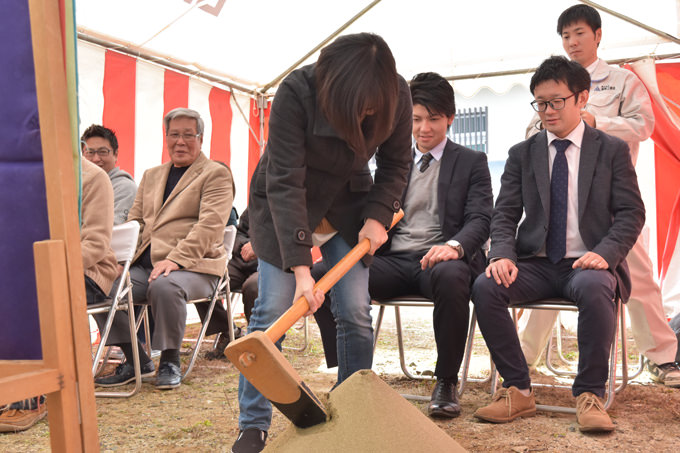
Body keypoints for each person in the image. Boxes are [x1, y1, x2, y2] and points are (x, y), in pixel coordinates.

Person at [233, 33, 412, 453]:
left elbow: (396, 163)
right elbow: (285, 181)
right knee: (272, 309)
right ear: (332, 85)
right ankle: (252, 424)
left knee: (354, 309)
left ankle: (352, 409)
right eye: (358, 107)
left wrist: (377, 216)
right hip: (285, 203)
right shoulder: (297, 91)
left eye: (372, 108)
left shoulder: (398, 95)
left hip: (349, 203)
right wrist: (300, 270)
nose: (366, 114)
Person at [471, 56, 645, 432]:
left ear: (582, 98)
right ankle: (517, 389)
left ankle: (590, 395)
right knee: (485, 285)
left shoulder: (611, 150)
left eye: (555, 101)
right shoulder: (523, 153)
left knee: (598, 287)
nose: (547, 111)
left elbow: (632, 213)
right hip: (535, 262)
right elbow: (504, 214)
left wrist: (605, 254)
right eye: (540, 103)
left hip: (588, 262)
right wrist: (501, 252)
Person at [311, 72, 493, 419]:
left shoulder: (472, 162)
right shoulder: (392, 161)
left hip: (442, 259)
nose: (424, 128)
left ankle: (446, 381)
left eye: (434, 119)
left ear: (450, 118)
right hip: (393, 260)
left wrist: (454, 246)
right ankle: (349, 373)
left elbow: (481, 219)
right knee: (327, 273)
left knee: (453, 277)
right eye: (416, 119)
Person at [519, 4, 680, 387]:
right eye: (566, 35)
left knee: (638, 278)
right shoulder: (552, 80)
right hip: (562, 198)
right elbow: (529, 133)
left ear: (598, 35)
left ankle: (664, 358)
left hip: (612, 200)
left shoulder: (622, 81)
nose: (572, 42)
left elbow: (644, 126)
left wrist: (596, 122)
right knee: (551, 266)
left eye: (579, 33)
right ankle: (523, 355)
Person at [93, 108, 234, 390]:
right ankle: (137, 359)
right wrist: (121, 259)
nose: (180, 141)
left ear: (201, 138)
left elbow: (209, 227)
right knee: (99, 282)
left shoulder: (216, 174)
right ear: (166, 137)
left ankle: (170, 359)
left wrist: (176, 260)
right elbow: (134, 222)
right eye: (174, 135)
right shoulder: (152, 175)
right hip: (147, 265)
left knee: (165, 285)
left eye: (187, 135)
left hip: (197, 266)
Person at [0, 159, 118, 433]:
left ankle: (30, 399)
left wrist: (42, 265)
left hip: (86, 270)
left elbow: (96, 244)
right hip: (31, 270)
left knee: (30, 294)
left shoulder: (92, 177)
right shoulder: (23, 174)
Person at [205, 207, 256, 360]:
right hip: (242, 261)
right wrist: (245, 246)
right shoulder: (261, 196)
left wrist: (259, 246)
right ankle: (229, 332)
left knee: (253, 287)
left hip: (270, 264)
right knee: (204, 278)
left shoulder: (292, 202)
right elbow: (239, 231)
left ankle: (255, 344)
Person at [81, 124, 137, 225]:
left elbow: (114, 226)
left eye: (103, 152)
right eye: (90, 152)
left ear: (116, 155)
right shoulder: (77, 186)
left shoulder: (125, 188)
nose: (96, 159)